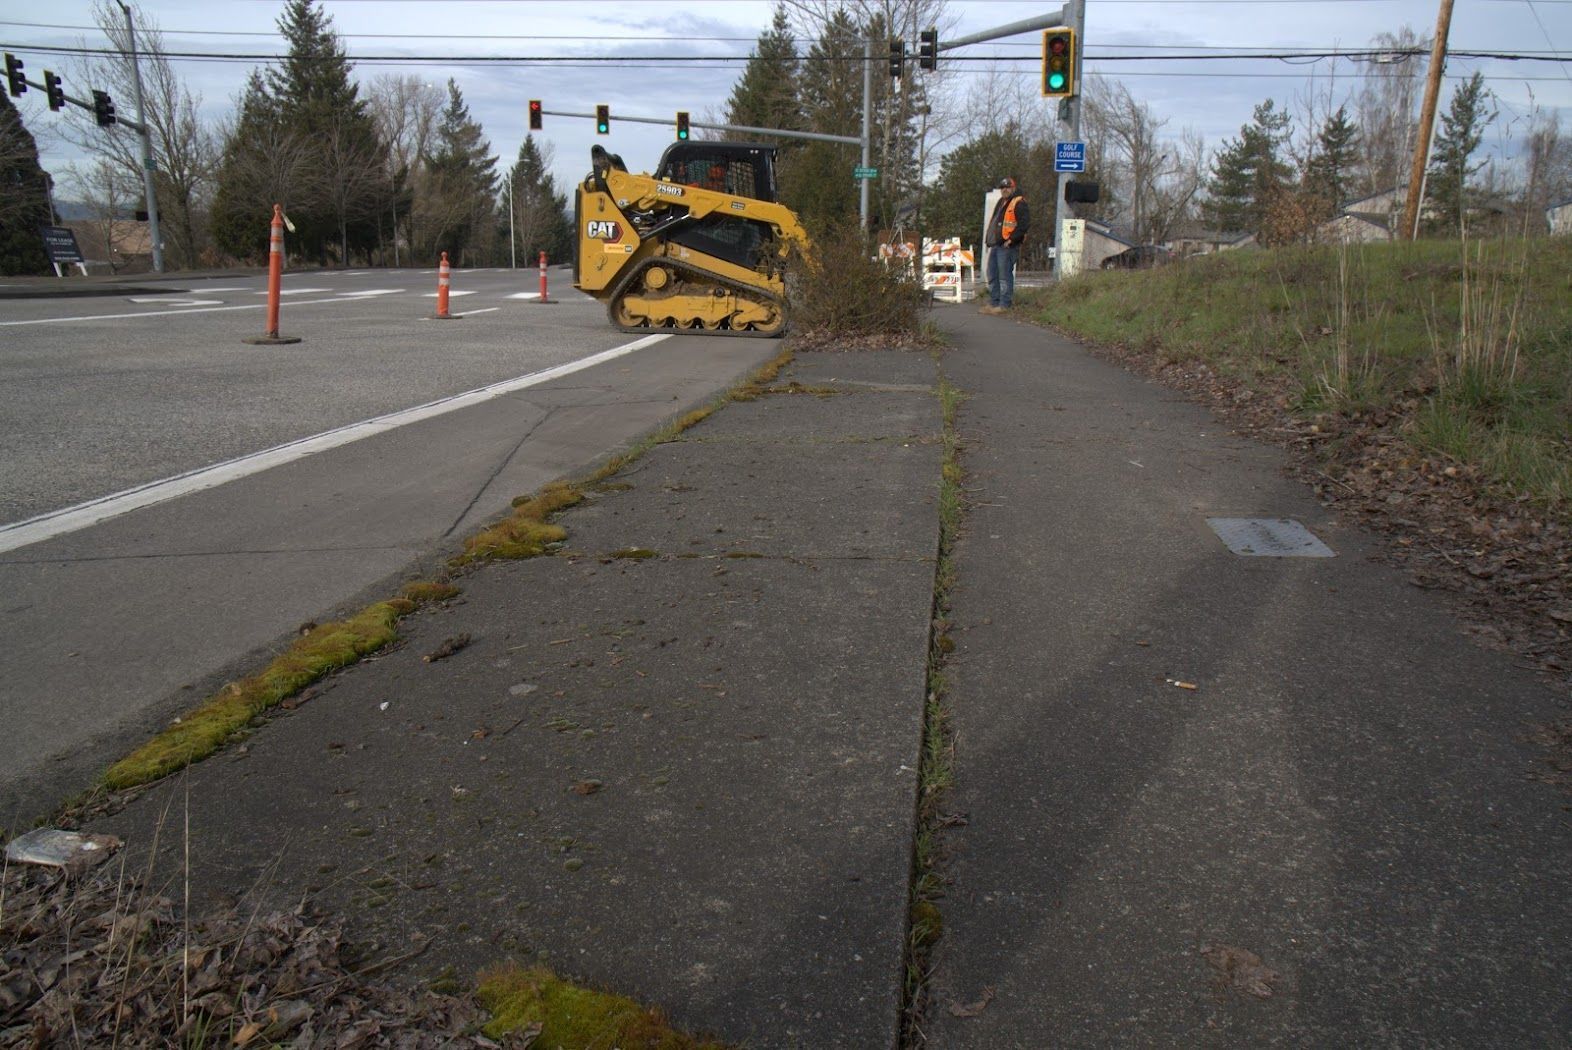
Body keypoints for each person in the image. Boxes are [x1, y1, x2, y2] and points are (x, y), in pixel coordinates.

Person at [982, 176, 1029, 315]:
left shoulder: (1019, 203)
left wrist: (1012, 240)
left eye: (1007, 187)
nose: (1005, 190)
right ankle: (994, 302)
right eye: (1002, 187)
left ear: (1013, 188)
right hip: (997, 244)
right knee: (992, 273)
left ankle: (1004, 304)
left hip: (1008, 246)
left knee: (1004, 275)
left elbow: (1024, 225)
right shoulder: (1002, 202)